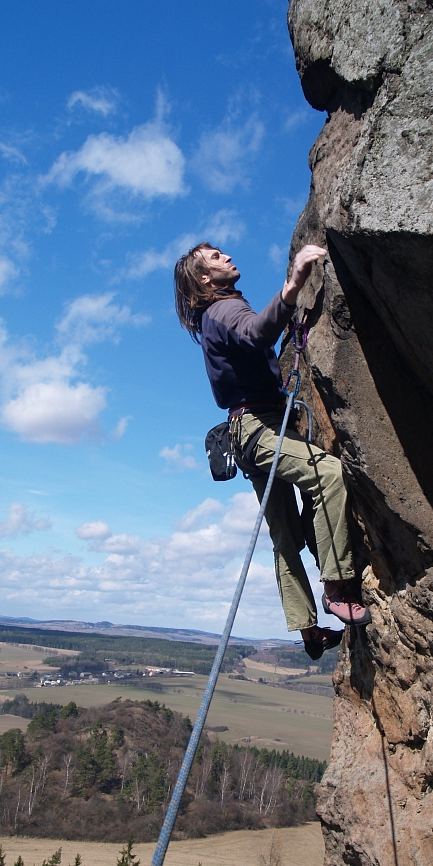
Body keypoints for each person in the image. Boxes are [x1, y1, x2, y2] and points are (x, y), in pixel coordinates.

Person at [173, 241, 371, 660]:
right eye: (214, 258)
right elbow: (255, 332)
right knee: (328, 474)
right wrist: (296, 281)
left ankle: (307, 628)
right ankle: (337, 585)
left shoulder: (217, 314)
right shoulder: (223, 309)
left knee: (284, 533)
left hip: (248, 429)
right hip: (258, 427)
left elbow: (257, 335)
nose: (226, 256)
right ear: (205, 279)